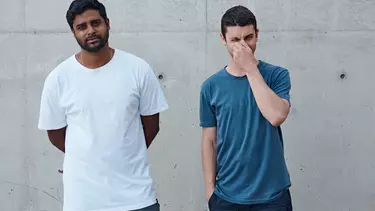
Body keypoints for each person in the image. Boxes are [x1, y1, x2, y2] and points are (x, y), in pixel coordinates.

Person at [37, 0, 168, 210]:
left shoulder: (137, 69)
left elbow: (152, 125)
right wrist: (89, 158)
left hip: (137, 198)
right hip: (83, 200)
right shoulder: (59, 78)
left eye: (95, 23)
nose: (90, 31)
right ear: (73, 32)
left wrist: (124, 155)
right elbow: (55, 134)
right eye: (81, 27)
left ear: (107, 23)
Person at [200, 5, 293, 211]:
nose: (243, 46)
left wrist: (250, 67)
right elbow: (209, 140)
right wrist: (210, 193)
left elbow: (276, 116)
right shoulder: (211, 86)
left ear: (257, 35)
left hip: (272, 197)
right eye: (235, 40)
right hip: (227, 196)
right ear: (223, 39)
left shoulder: (277, 76)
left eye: (248, 38)